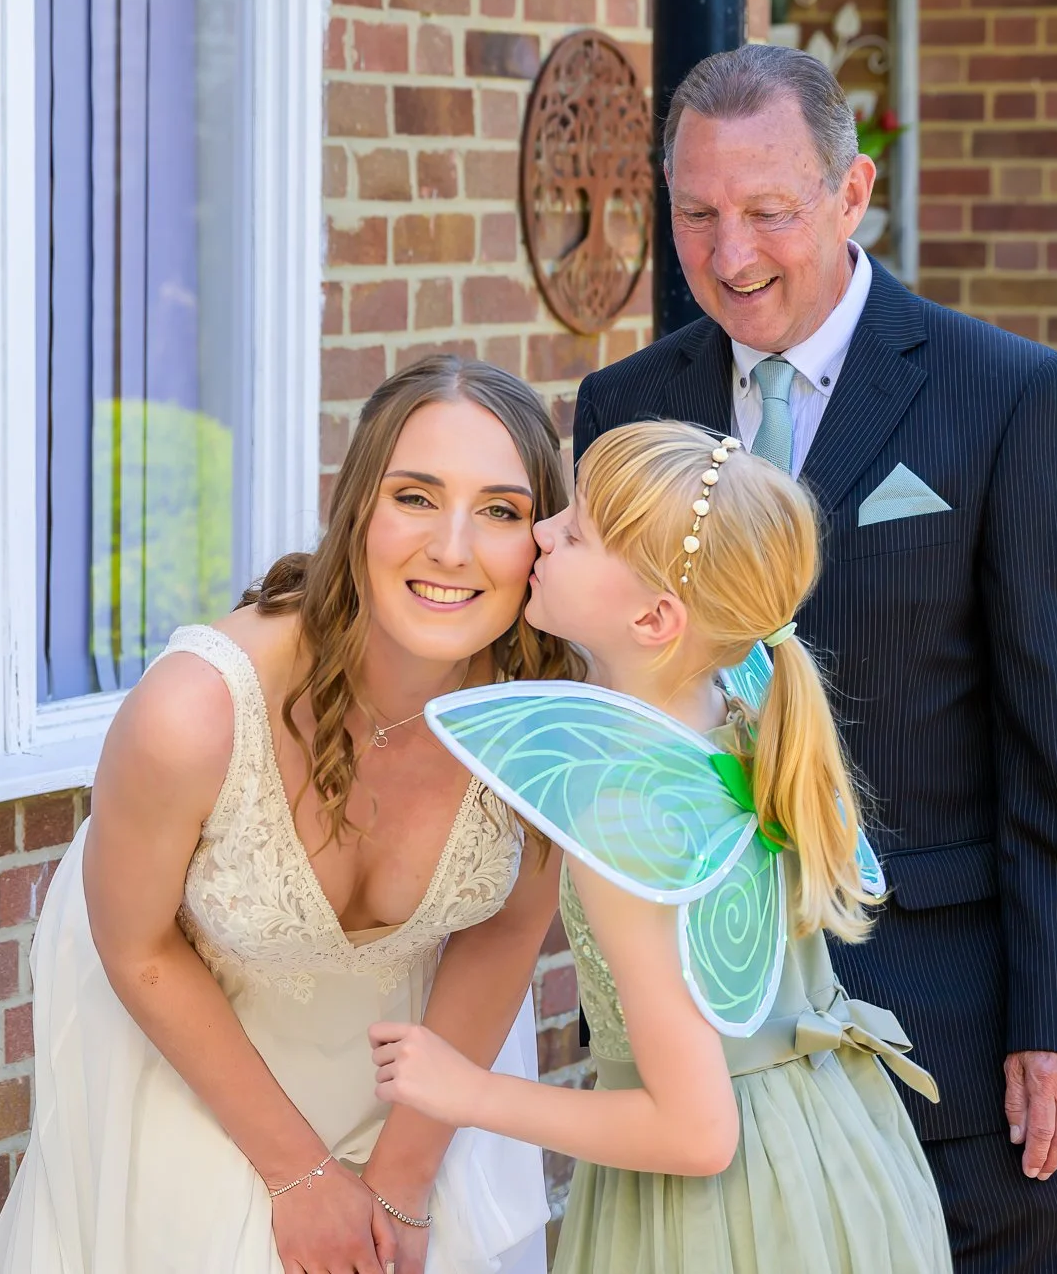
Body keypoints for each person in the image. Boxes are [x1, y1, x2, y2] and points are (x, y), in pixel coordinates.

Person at [571, 46, 1057, 1273]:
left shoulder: (1006, 396)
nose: (730, 258)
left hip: (946, 1019)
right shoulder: (621, 406)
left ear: (849, 191)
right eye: (695, 215)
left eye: (769, 213)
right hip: (705, 1032)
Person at [0, 357, 580, 1274]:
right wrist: (299, 1178)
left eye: (499, 511)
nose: (453, 548)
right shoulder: (194, 712)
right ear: (357, 513)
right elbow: (134, 945)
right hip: (198, 1065)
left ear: (539, 538)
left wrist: (404, 1180)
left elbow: (506, 935)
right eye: (416, 496)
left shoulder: (542, 717)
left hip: (415, 1093)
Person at [371, 420, 953, 1274]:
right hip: (833, 1153)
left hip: (727, 1216)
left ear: (654, 616)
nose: (539, 530)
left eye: (573, 534)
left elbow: (694, 1131)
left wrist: (470, 1091)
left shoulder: (627, 809)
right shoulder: (743, 706)